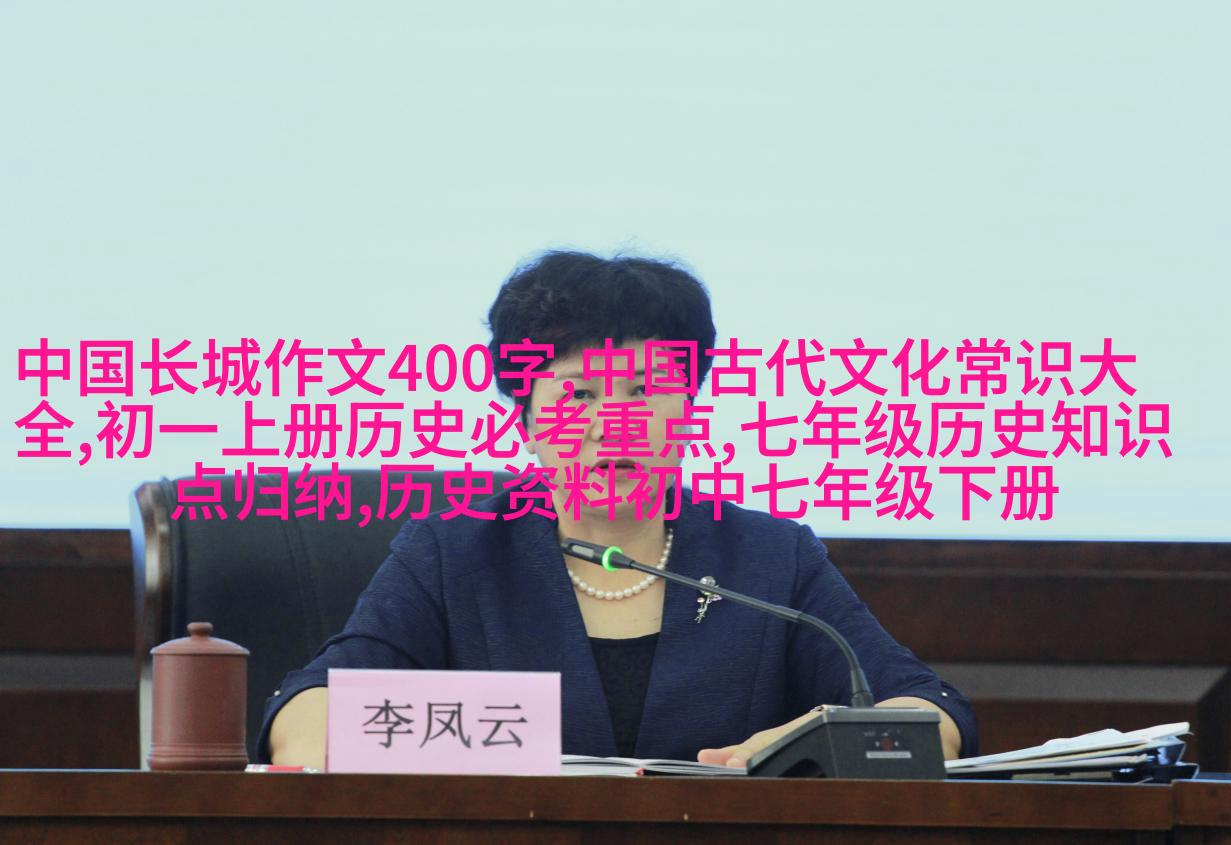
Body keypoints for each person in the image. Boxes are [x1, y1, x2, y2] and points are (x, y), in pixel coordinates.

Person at [264, 251, 978, 768]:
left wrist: (810, 744)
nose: (615, 422)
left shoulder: (769, 559)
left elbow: (928, 714)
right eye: (578, 394)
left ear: (689, 408)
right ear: (526, 421)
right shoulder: (455, 553)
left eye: (645, 389)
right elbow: (304, 715)